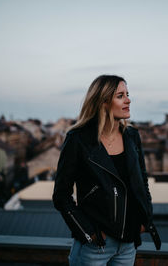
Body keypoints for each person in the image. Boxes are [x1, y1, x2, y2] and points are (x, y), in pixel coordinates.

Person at [52, 75, 161, 266]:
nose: (128, 100)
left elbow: (141, 182)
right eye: (120, 96)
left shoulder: (132, 136)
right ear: (103, 101)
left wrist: (146, 219)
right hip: (96, 246)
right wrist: (89, 232)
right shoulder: (78, 139)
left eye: (127, 94)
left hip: (128, 244)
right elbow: (61, 195)